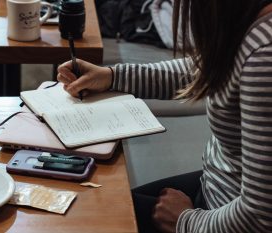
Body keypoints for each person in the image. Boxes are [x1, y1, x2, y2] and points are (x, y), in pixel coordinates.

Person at [57, 0, 272, 232]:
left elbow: (259, 217)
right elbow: (207, 69)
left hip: (225, 215)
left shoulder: (264, 56)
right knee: (95, 204)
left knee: (92, 216)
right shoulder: (249, 21)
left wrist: (185, 222)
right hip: (217, 187)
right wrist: (112, 77)